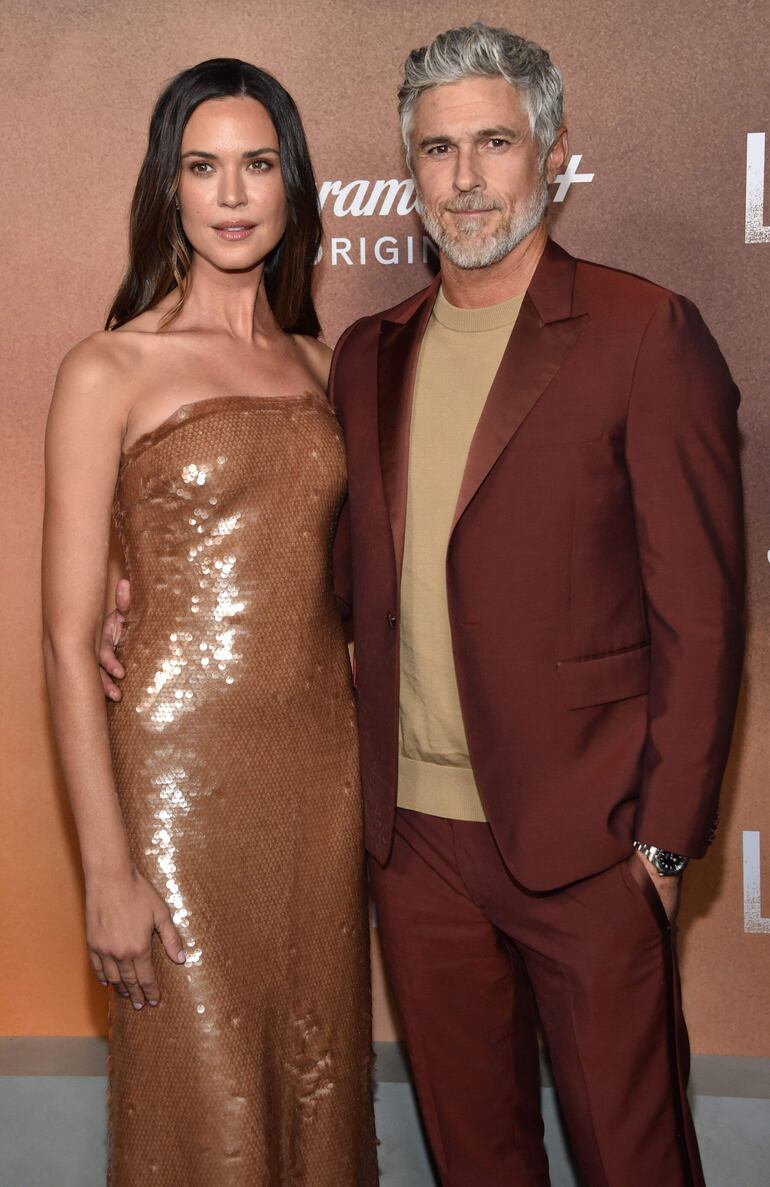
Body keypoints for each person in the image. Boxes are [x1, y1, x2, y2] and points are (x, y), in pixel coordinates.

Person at [329, 23, 744, 1187]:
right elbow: (330, 579)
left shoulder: (639, 331)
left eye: (493, 143)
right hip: (414, 847)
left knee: (634, 1160)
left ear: (550, 152)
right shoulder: (367, 354)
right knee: (477, 1161)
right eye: (437, 149)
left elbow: (702, 618)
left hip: (589, 841)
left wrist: (660, 843)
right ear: (407, 169)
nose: (464, 179)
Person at [42, 58, 377, 1186]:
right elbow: (63, 638)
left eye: (256, 163)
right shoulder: (110, 368)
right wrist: (106, 869)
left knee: (311, 1083)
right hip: (177, 794)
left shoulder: (330, 371)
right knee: (205, 1109)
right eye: (201, 166)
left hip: (320, 789)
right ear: (167, 190)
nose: (230, 194)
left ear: (291, 188)